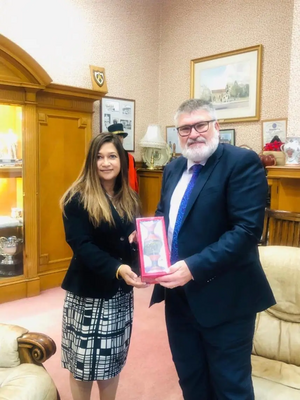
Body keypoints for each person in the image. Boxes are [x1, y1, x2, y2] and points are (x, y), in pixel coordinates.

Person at [150, 99, 276, 400]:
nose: (193, 134)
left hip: (226, 299)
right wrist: (144, 237)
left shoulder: (240, 163)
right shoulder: (173, 168)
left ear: (216, 126)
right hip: (178, 298)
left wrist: (193, 267)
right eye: (184, 128)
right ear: (177, 134)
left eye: (200, 125)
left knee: (230, 387)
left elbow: (246, 231)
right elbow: (161, 217)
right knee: (191, 380)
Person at [60, 132, 147, 400]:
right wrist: (118, 268)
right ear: (91, 161)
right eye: (99, 157)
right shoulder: (77, 197)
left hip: (119, 295)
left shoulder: (129, 198)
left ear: (122, 160)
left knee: (111, 365)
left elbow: (130, 243)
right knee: (82, 366)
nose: (105, 163)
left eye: (111, 156)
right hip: (88, 294)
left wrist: (138, 252)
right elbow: (83, 246)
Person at [108, 123, 139, 192]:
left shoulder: (130, 158)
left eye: (121, 136)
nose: (119, 139)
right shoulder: (106, 158)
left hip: (128, 195)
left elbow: (134, 181)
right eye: (116, 136)